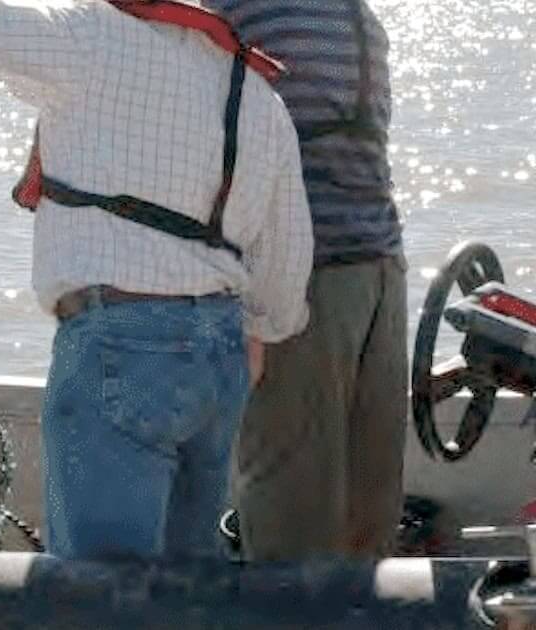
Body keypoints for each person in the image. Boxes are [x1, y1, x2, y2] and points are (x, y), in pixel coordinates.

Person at [0, 0, 314, 559]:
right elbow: (288, 262)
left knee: (96, 596)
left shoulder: (88, 39)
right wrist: (257, 330)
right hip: (220, 357)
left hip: (120, 346)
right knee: (188, 590)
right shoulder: (258, 95)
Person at [202, 0, 408, 560]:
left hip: (381, 267)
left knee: (373, 507)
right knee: (291, 516)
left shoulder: (356, 15)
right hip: (300, 279)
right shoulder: (234, 13)